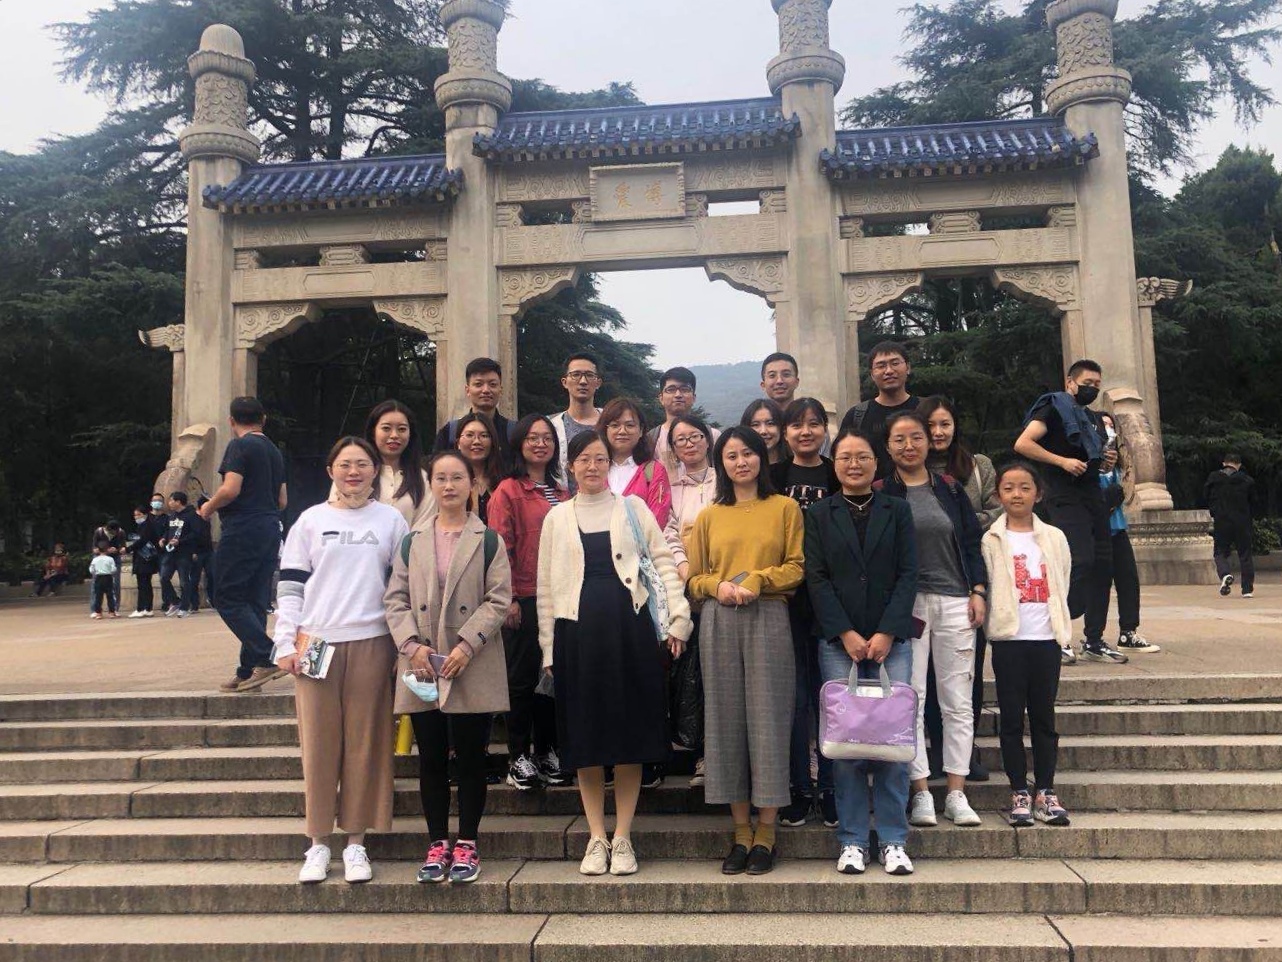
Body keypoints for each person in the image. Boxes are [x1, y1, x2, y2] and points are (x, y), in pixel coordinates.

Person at [536, 431, 692, 877]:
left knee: (629, 735)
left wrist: (678, 618)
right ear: (571, 466)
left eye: (600, 458)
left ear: (610, 464)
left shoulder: (633, 507)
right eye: (584, 459)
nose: (592, 466)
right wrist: (548, 648)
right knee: (585, 737)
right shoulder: (557, 517)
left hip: (631, 631)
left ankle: (622, 836)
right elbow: (546, 588)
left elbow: (663, 563)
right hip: (576, 636)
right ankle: (595, 836)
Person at [273, 436, 409, 885]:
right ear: (331, 470)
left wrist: (403, 644)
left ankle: (355, 842)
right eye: (345, 464)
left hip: (372, 639)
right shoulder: (311, 521)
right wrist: (284, 643)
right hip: (316, 641)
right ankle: (317, 843)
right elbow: (291, 586)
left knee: (366, 744)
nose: (354, 472)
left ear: (375, 472)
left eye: (363, 464)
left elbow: (401, 587)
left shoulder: (390, 520)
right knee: (318, 744)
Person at [385, 450, 512, 884]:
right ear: (432, 485)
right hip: (423, 662)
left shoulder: (488, 539)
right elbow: (395, 599)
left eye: (457, 477)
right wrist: (411, 645)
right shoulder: (412, 541)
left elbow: (499, 599)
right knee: (432, 757)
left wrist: (467, 644)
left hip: (470, 660)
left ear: (472, 484)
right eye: (440, 478)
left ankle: (468, 842)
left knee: (472, 756)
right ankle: (437, 841)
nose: (449, 485)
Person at [686, 426, 805, 876]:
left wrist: (759, 578)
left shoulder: (785, 508)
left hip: (769, 615)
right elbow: (694, 578)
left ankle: (766, 832)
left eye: (748, 453)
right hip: (719, 619)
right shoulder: (710, 515)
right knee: (726, 721)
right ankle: (740, 832)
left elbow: (796, 567)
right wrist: (716, 586)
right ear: (722, 463)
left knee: (769, 719)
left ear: (762, 458)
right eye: (732, 455)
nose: (741, 462)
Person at [805, 429, 919, 875]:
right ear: (834, 464)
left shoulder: (898, 510)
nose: (854, 464)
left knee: (892, 738)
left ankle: (893, 839)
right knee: (847, 742)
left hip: (892, 642)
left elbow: (909, 573)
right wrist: (845, 633)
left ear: (877, 462)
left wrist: (887, 631)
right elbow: (816, 578)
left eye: (863, 456)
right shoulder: (819, 513)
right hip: (839, 643)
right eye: (845, 457)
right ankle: (852, 839)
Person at [879, 410, 987, 829]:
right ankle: (921, 789)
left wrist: (978, 589)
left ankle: (957, 791)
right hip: (908, 607)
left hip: (956, 600)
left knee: (957, 700)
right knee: (912, 698)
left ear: (928, 442)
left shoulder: (950, 488)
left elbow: (971, 542)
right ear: (887, 447)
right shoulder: (882, 492)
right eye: (899, 439)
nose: (909, 446)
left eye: (916, 437)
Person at [1013, 360, 1127, 665]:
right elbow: (1023, 443)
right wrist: (1061, 461)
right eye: (1087, 382)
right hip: (1062, 494)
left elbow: (1092, 457)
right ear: (1070, 383)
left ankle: (1094, 640)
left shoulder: (1090, 418)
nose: (1093, 388)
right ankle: (1056, 633)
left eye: (1097, 384)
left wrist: (1106, 461)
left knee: (1103, 564)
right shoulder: (1054, 407)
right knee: (1080, 559)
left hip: (1092, 493)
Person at [981, 461, 1074, 827]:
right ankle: (1019, 789)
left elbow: (1063, 579)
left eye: (1024, 487)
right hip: (1010, 640)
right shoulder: (991, 539)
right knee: (1010, 718)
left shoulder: (1054, 537)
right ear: (998, 495)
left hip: (1046, 638)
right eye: (1008, 488)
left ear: (1038, 493)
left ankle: (1046, 790)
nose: (1016, 494)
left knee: (1043, 718)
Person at [920, 395, 1002, 781]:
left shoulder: (977, 466)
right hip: (925, 583)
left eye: (945, 424)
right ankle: (936, 750)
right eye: (931, 425)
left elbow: (998, 510)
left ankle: (965, 753)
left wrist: (959, 525)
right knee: (926, 676)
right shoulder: (910, 470)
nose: (938, 432)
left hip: (970, 579)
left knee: (966, 672)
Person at [488, 414, 571, 791]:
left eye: (547, 438)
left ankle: (548, 750)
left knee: (550, 678)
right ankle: (518, 756)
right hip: (523, 595)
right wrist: (508, 599)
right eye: (533, 438)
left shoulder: (561, 491)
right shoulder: (508, 490)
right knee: (521, 681)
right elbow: (499, 546)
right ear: (519, 444)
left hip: (559, 598)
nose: (540, 444)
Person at [769, 398, 839, 829]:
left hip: (831, 600)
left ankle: (830, 787)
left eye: (814, 423)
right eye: (797, 424)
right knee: (794, 699)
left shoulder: (836, 473)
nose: (806, 431)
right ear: (786, 432)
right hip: (786, 602)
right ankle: (797, 786)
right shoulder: (774, 477)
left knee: (830, 696)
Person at [198, 396, 289, 694]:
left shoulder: (239, 446)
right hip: (269, 527)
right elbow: (282, 500)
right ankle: (249, 670)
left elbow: (231, 489)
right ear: (264, 419)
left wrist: (208, 507)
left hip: (242, 528)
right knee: (254, 600)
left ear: (231, 421)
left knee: (225, 596)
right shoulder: (274, 451)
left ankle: (267, 655)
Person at [662, 414, 718, 786]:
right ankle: (699, 752)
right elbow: (668, 531)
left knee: (718, 674)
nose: (689, 444)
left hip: (723, 587)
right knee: (691, 677)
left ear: (708, 440)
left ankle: (718, 754)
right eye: (680, 439)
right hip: (685, 591)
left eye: (695, 436)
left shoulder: (723, 480)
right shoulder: (669, 486)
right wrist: (684, 568)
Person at [1098, 414, 1160, 653]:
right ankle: (1093, 636)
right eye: (1104, 426)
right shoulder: (1087, 462)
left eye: (1111, 426)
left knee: (1128, 580)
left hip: (1118, 528)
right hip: (1096, 531)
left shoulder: (1121, 464)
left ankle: (1128, 631)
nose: (1109, 431)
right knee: (1098, 584)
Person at [839, 341, 919, 480]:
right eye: (881, 366)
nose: (889, 371)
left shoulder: (924, 409)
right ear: (872, 374)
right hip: (870, 491)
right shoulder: (856, 415)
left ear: (908, 367)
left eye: (895, 363)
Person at [355, 399, 435, 529]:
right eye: (386, 428)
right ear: (373, 432)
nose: (394, 435)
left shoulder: (423, 479)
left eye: (402, 429)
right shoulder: (353, 474)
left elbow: (424, 529)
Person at [599, 397, 672, 528]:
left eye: (630, 425)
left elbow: (657, 520)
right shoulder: (594, 468)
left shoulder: (654, 471)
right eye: (615, 425)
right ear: (605, 430)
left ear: (641, 431)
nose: (622, 431)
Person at [434, 357, 517, 464]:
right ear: (467, 390)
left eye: (492, 384)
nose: (486, 390)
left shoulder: (514, 432)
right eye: (478, 384)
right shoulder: (450, 433)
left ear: (500, 390)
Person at [648, 367, 720, 476]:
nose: (678, 395)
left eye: (685, 389)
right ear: (661, 398)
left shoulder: (712, 436)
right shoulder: (651, 440)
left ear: (694, 397)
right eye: (671, 389)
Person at [1205, 452, 1256, 599]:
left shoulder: (1213, 479)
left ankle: (1225, 574)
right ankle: (1247, 589)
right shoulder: (1247, 480)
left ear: (1224, 463)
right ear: (1239, 465)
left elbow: (1206, 496)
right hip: (1242, 521)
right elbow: (1254, 502)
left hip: (1222, 520)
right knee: (1245, 554)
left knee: (1220, 552)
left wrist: (1214, 511)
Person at [552, 352, 604, 483]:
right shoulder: (552, 426)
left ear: (598, 383)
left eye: (589, 375)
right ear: (564, 382)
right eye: (576, 375)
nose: (583, 381)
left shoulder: (611, 422)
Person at [452, 412, 504, 524]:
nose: (476, 441)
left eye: (484, 436)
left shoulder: (504, 480)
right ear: (458, 443)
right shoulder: (449, 482)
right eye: (469, 435)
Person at [164, 492, 200, 617]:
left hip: (184, 553)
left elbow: (195, 533)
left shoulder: (191, 515)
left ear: (178, 502)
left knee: (184, 580)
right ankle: (175, 601)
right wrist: (164, 538)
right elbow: (168, 531)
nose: (169, 503)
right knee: (164, 577)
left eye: (171, 500)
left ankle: (184, 607)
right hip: (170, 552)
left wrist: (181, 541)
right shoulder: (172, 516)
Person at [127, 505, 165, 616]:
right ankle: (147, 608)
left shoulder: (146, 526)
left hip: (144, 558)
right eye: (135, 515)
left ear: (145, 515)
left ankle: (141, 608)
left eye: (139, 515)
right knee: (145, 584)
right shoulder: (144, 526)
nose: (136, 517)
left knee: (143, 584)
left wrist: (129, 549)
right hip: (145, 559)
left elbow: (142, 541)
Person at [90, 520, 127, 612]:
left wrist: (118, 549)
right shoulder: (99, 532)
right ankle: (95, 609)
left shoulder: (121, 532)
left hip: (114, 558)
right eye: (112, 532)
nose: (113, 534)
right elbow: (94, 547)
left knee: (116, 584)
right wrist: (102, 550)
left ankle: (115, 608)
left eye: (115, 532)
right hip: (100, 558)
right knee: (95, 584)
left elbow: (123, 546)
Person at [740, 399, 787, 465]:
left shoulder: (796, 464)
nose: (763, 431)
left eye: (770, 423)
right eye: (755, 425)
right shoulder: (741, 467)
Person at [88, 543, 118, 619]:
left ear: (98, 550)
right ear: (107, 550)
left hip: (98, 577)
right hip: (108, 577)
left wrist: (96, 572)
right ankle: (111, 612)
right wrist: (110, 571)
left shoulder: (95, 559)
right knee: (110, 595)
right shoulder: (110, 559)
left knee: (98, 596)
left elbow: (91, 570)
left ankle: (98, 613)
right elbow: (113, 569)